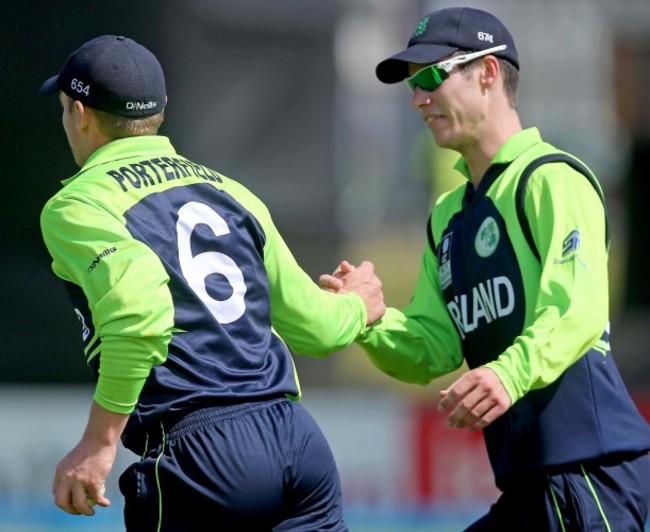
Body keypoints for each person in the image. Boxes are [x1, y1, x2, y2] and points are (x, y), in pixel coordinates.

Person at [320, 7, 650, 531]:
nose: (417, 99)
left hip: (591, 477)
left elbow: (578, 311)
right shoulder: (448, 217)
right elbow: (434, 347)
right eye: (412, 85)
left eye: (431, 77)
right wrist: (369, 319)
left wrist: (506, 372)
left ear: (489, 73)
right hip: (527, 487)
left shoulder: (552, 178)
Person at [39, 34, 384, 531]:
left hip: (201, 457)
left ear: (80, 112)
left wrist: (99, 440)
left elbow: (139, 317)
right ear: (161, 110)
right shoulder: (230, 190)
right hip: (296, 442)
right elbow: (318, 328)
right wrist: (358, 305)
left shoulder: (79, 205)